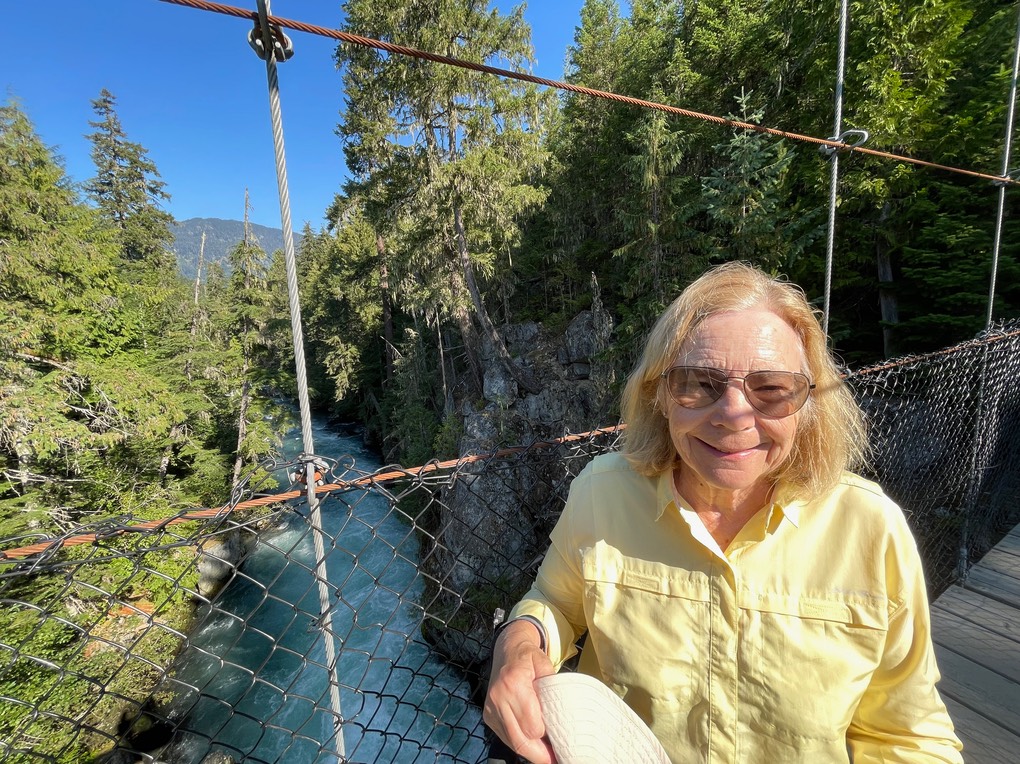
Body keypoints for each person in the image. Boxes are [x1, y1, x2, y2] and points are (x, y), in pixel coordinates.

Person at [483, 262, 963, 763]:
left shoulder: (870, 529)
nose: (734, 414)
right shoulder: (602, 494)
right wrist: (518, 642)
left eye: (772, 389)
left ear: (810, 404)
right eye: (699, 383)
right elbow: (556, 602)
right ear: (661, 396)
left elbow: (908, 738)